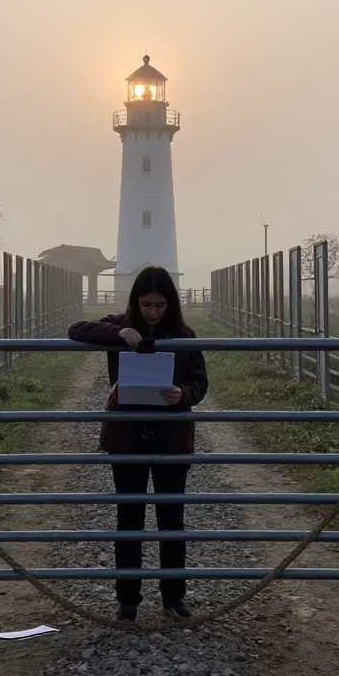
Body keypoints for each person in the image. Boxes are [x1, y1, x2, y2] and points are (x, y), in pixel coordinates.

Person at [67, 266, 209, 623]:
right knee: (129, 518)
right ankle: (127, 599)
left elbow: (200, 382)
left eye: (160, 304)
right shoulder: (119, 326)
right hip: (128, 435)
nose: (153, 312)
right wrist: (119, 332)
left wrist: (183, 394)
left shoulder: (184, 335)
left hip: (171, 437)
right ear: (136, 302)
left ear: (170, 303)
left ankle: (173, 595)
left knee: (171, 519)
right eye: (146, 304)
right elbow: (77, 329)